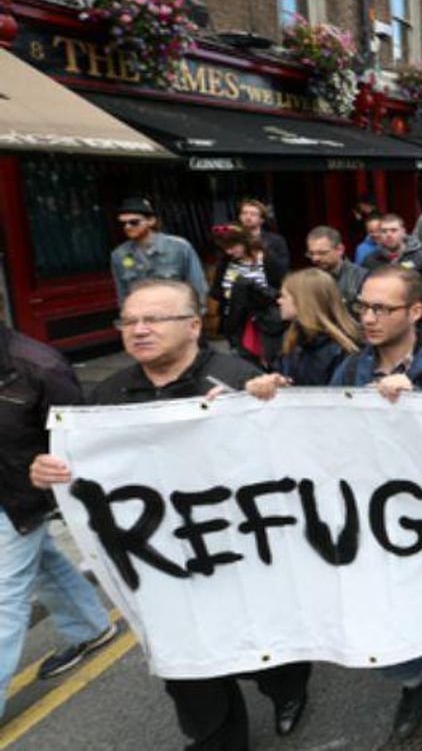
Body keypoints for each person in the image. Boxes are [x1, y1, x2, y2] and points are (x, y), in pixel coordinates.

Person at [29, 280, 312, 747]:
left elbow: (293, 458)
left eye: (155, 319)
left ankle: (287, 686)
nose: (139, 330)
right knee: (187, 667)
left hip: (240, 555)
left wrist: (272, 403)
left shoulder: (237, 377)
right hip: (159, 563)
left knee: (262, 650)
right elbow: (85, 471)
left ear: (194, 325)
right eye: (129, 321)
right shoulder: (106, 397)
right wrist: (52, 470)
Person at [328, 266, 422, 749]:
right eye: (363, 307)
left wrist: (420, 409)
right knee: (381, 625)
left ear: (415, 311)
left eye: (381, 309)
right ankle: (413, 679)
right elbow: (319, 438)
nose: (368, 318)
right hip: (374, 527)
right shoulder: (349, 369)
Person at [1, 326, 119, 721]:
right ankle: (90, 628)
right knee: (44, 561)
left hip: (22, 495)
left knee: (3, 598)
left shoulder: (41, 366)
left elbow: (77, 438)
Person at [246, 268, 360, 393]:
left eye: (284, 296)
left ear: (302, 301)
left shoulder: (342, 349)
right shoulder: (292, 338)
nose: (279, 301)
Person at [109, 195, 207, 308]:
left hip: (176, 314)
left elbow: (197, 286)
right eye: (123, 223)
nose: (127, 227)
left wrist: (194, 316)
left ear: (151, 221)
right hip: (143, 317)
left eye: (134, 222)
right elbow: (123, 294)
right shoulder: (119, 255)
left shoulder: (179, 247)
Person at [210, 224, 287, 366]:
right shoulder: (225, 263)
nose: (229, 251)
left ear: (244, 242)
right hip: (235, 319)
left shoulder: (266, 259)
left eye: (233, 247)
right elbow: (216, 292)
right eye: (225, 248)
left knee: (270, 361)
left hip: (264, 319)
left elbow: (280, 288)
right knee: (243, 361)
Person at [306, 226, 366, 311]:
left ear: (340, 249)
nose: (315, 258)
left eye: (322, 253)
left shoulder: (361, 277)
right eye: (311, 253)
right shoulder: (308, 280)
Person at [363, 214, 422, 283]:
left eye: (394, 230)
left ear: (403, 232)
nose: (389, 235)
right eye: (384, 231)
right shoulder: (370, 260)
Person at [237, 198, 291, 272]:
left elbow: (283, 267)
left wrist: (265, 252)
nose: (248, 217)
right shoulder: (234, 239)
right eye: (244, 213)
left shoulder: (276, 240)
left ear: (262, 220)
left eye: (253, 214)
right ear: (240, 217)